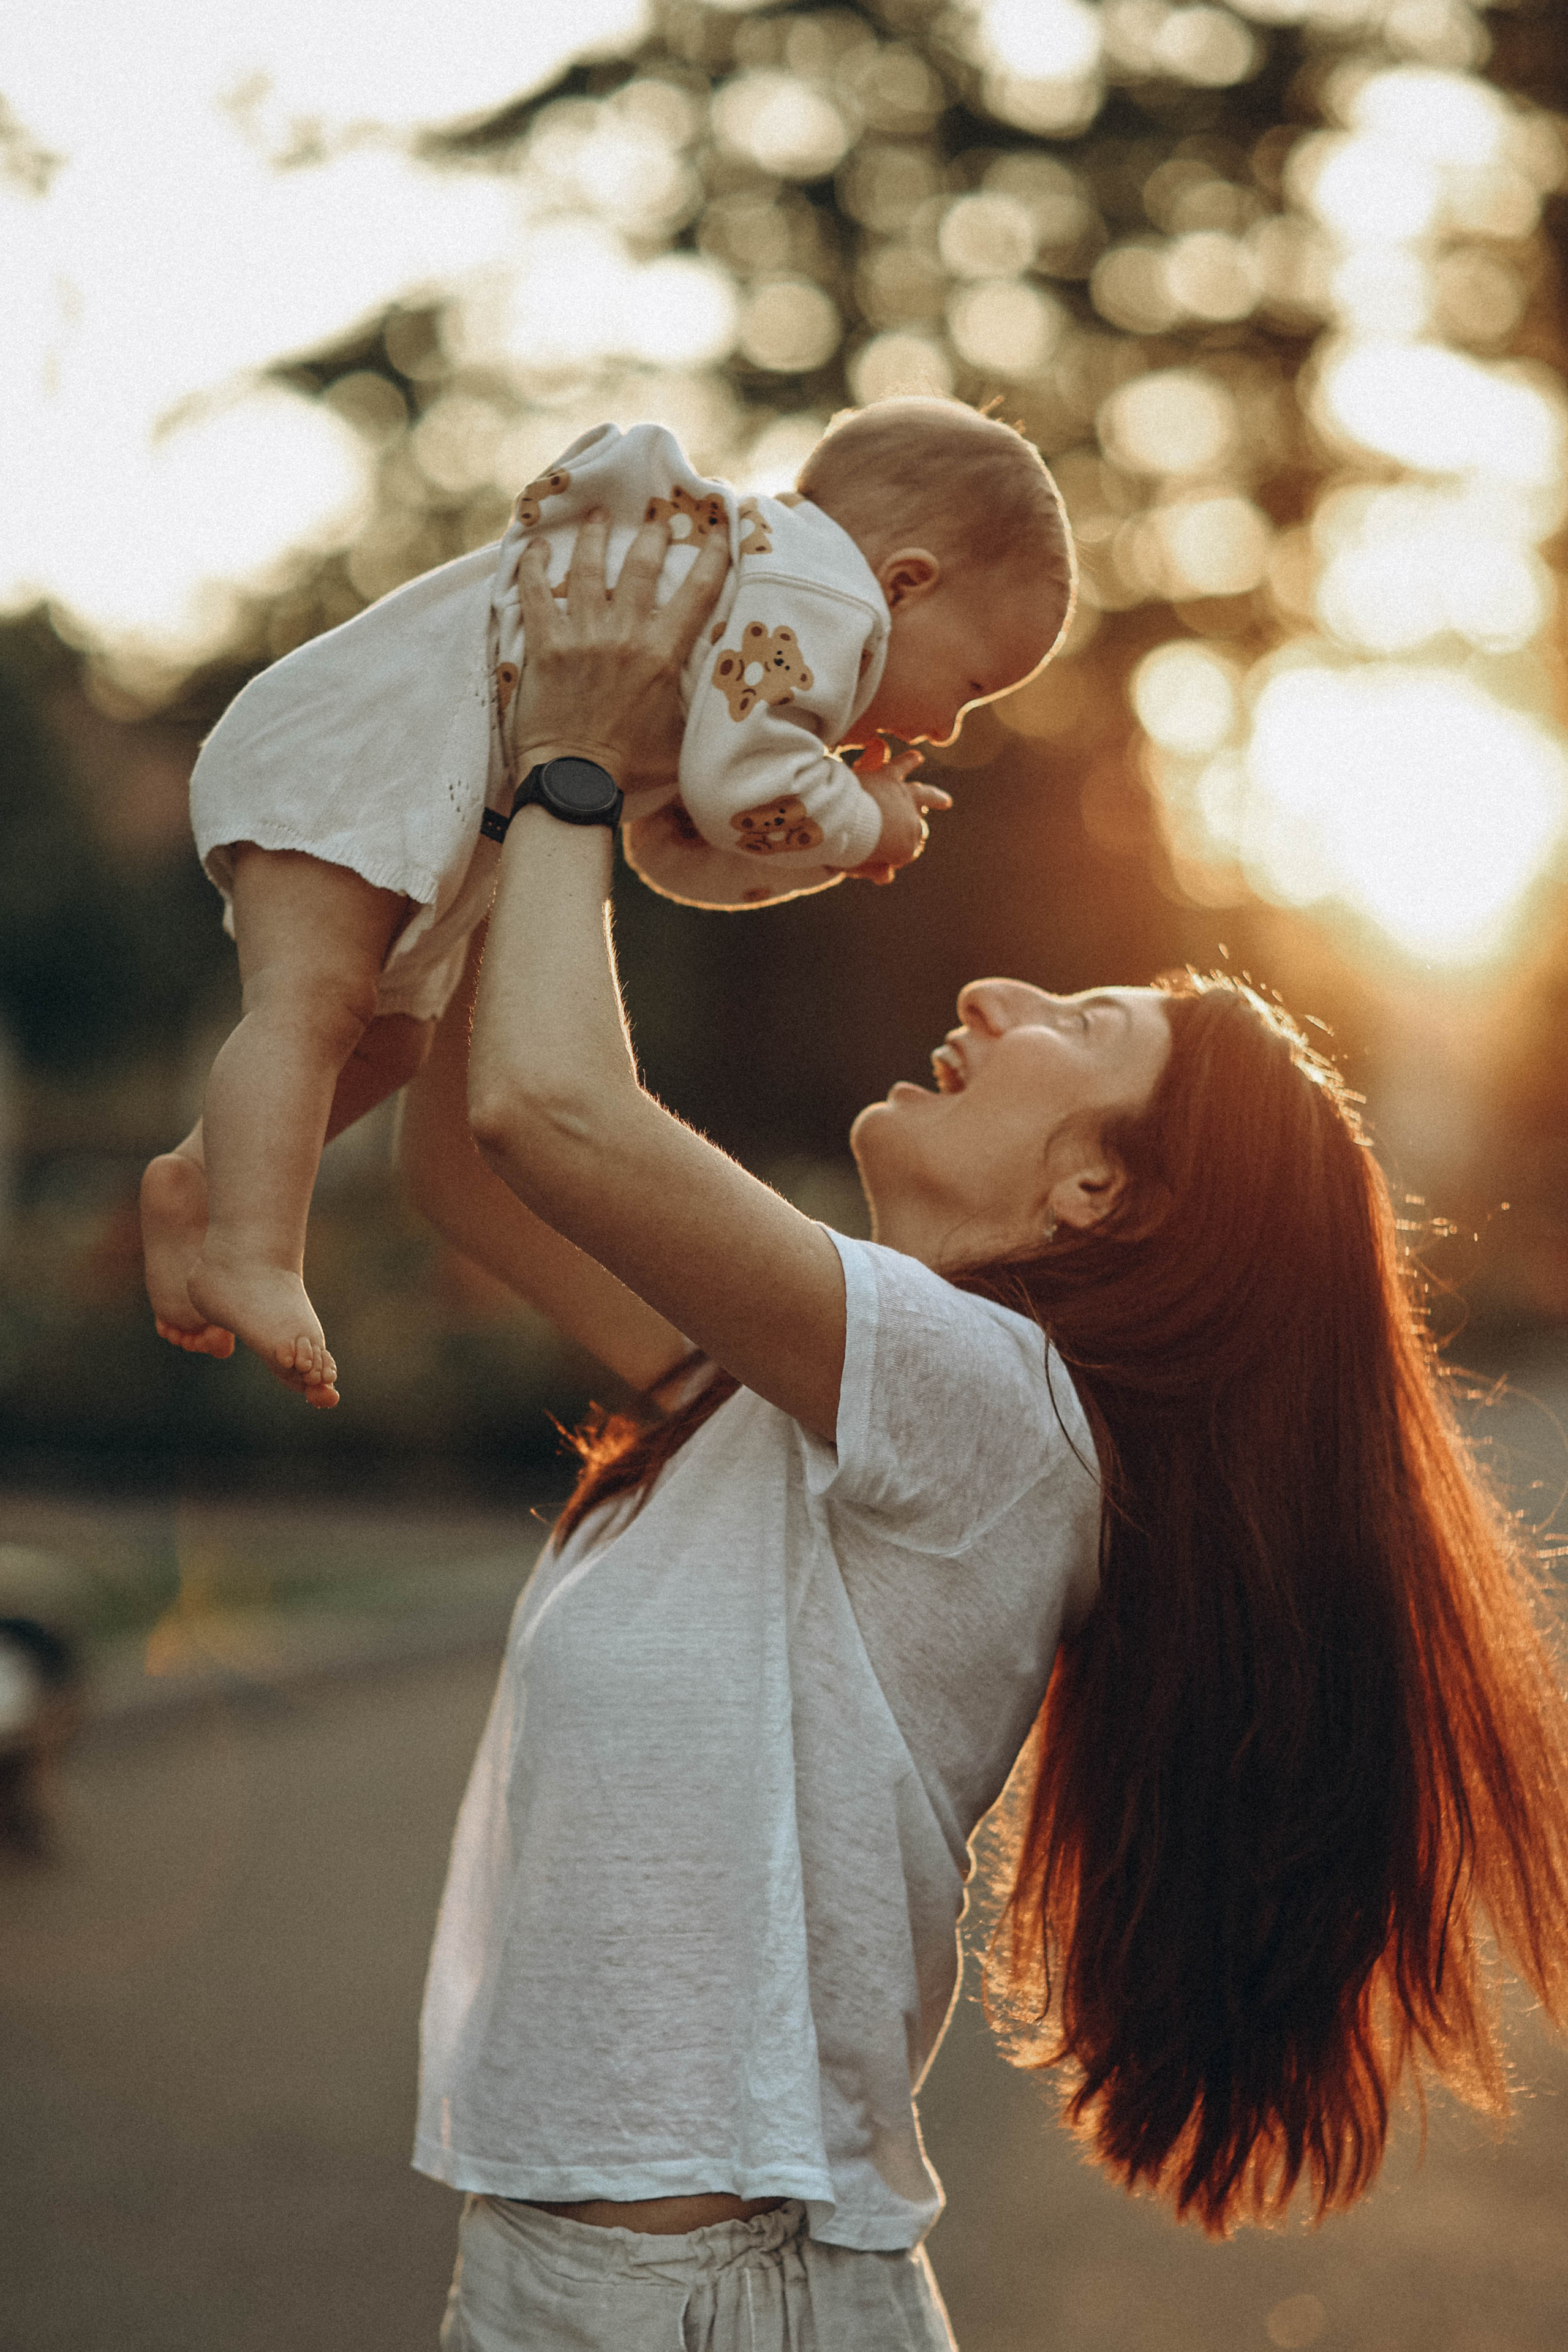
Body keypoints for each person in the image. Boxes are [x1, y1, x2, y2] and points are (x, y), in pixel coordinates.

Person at [397, 512, 1568, 2349]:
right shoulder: (793, 1400)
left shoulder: (998, 1412)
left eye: (1073, 1021)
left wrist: (566, 754)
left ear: (1103, 1190)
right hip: (572, 2281)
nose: (989, 995)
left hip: (710, 2303)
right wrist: (615, 779)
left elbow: (553, 1104)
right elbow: (467, 1156)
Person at [140, 398, 1071, 1406]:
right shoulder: (815, 591)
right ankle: (254, 1249)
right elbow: (739, 789)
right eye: (972, 686)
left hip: (426, 790)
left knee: (389, 1042)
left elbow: (677, 847)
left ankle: (201, 1180)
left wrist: (821, 849)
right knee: (315, 1002)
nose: (947, 728)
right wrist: (867, 822)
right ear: (905, 582)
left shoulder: (757, 629)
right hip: (365, 750)